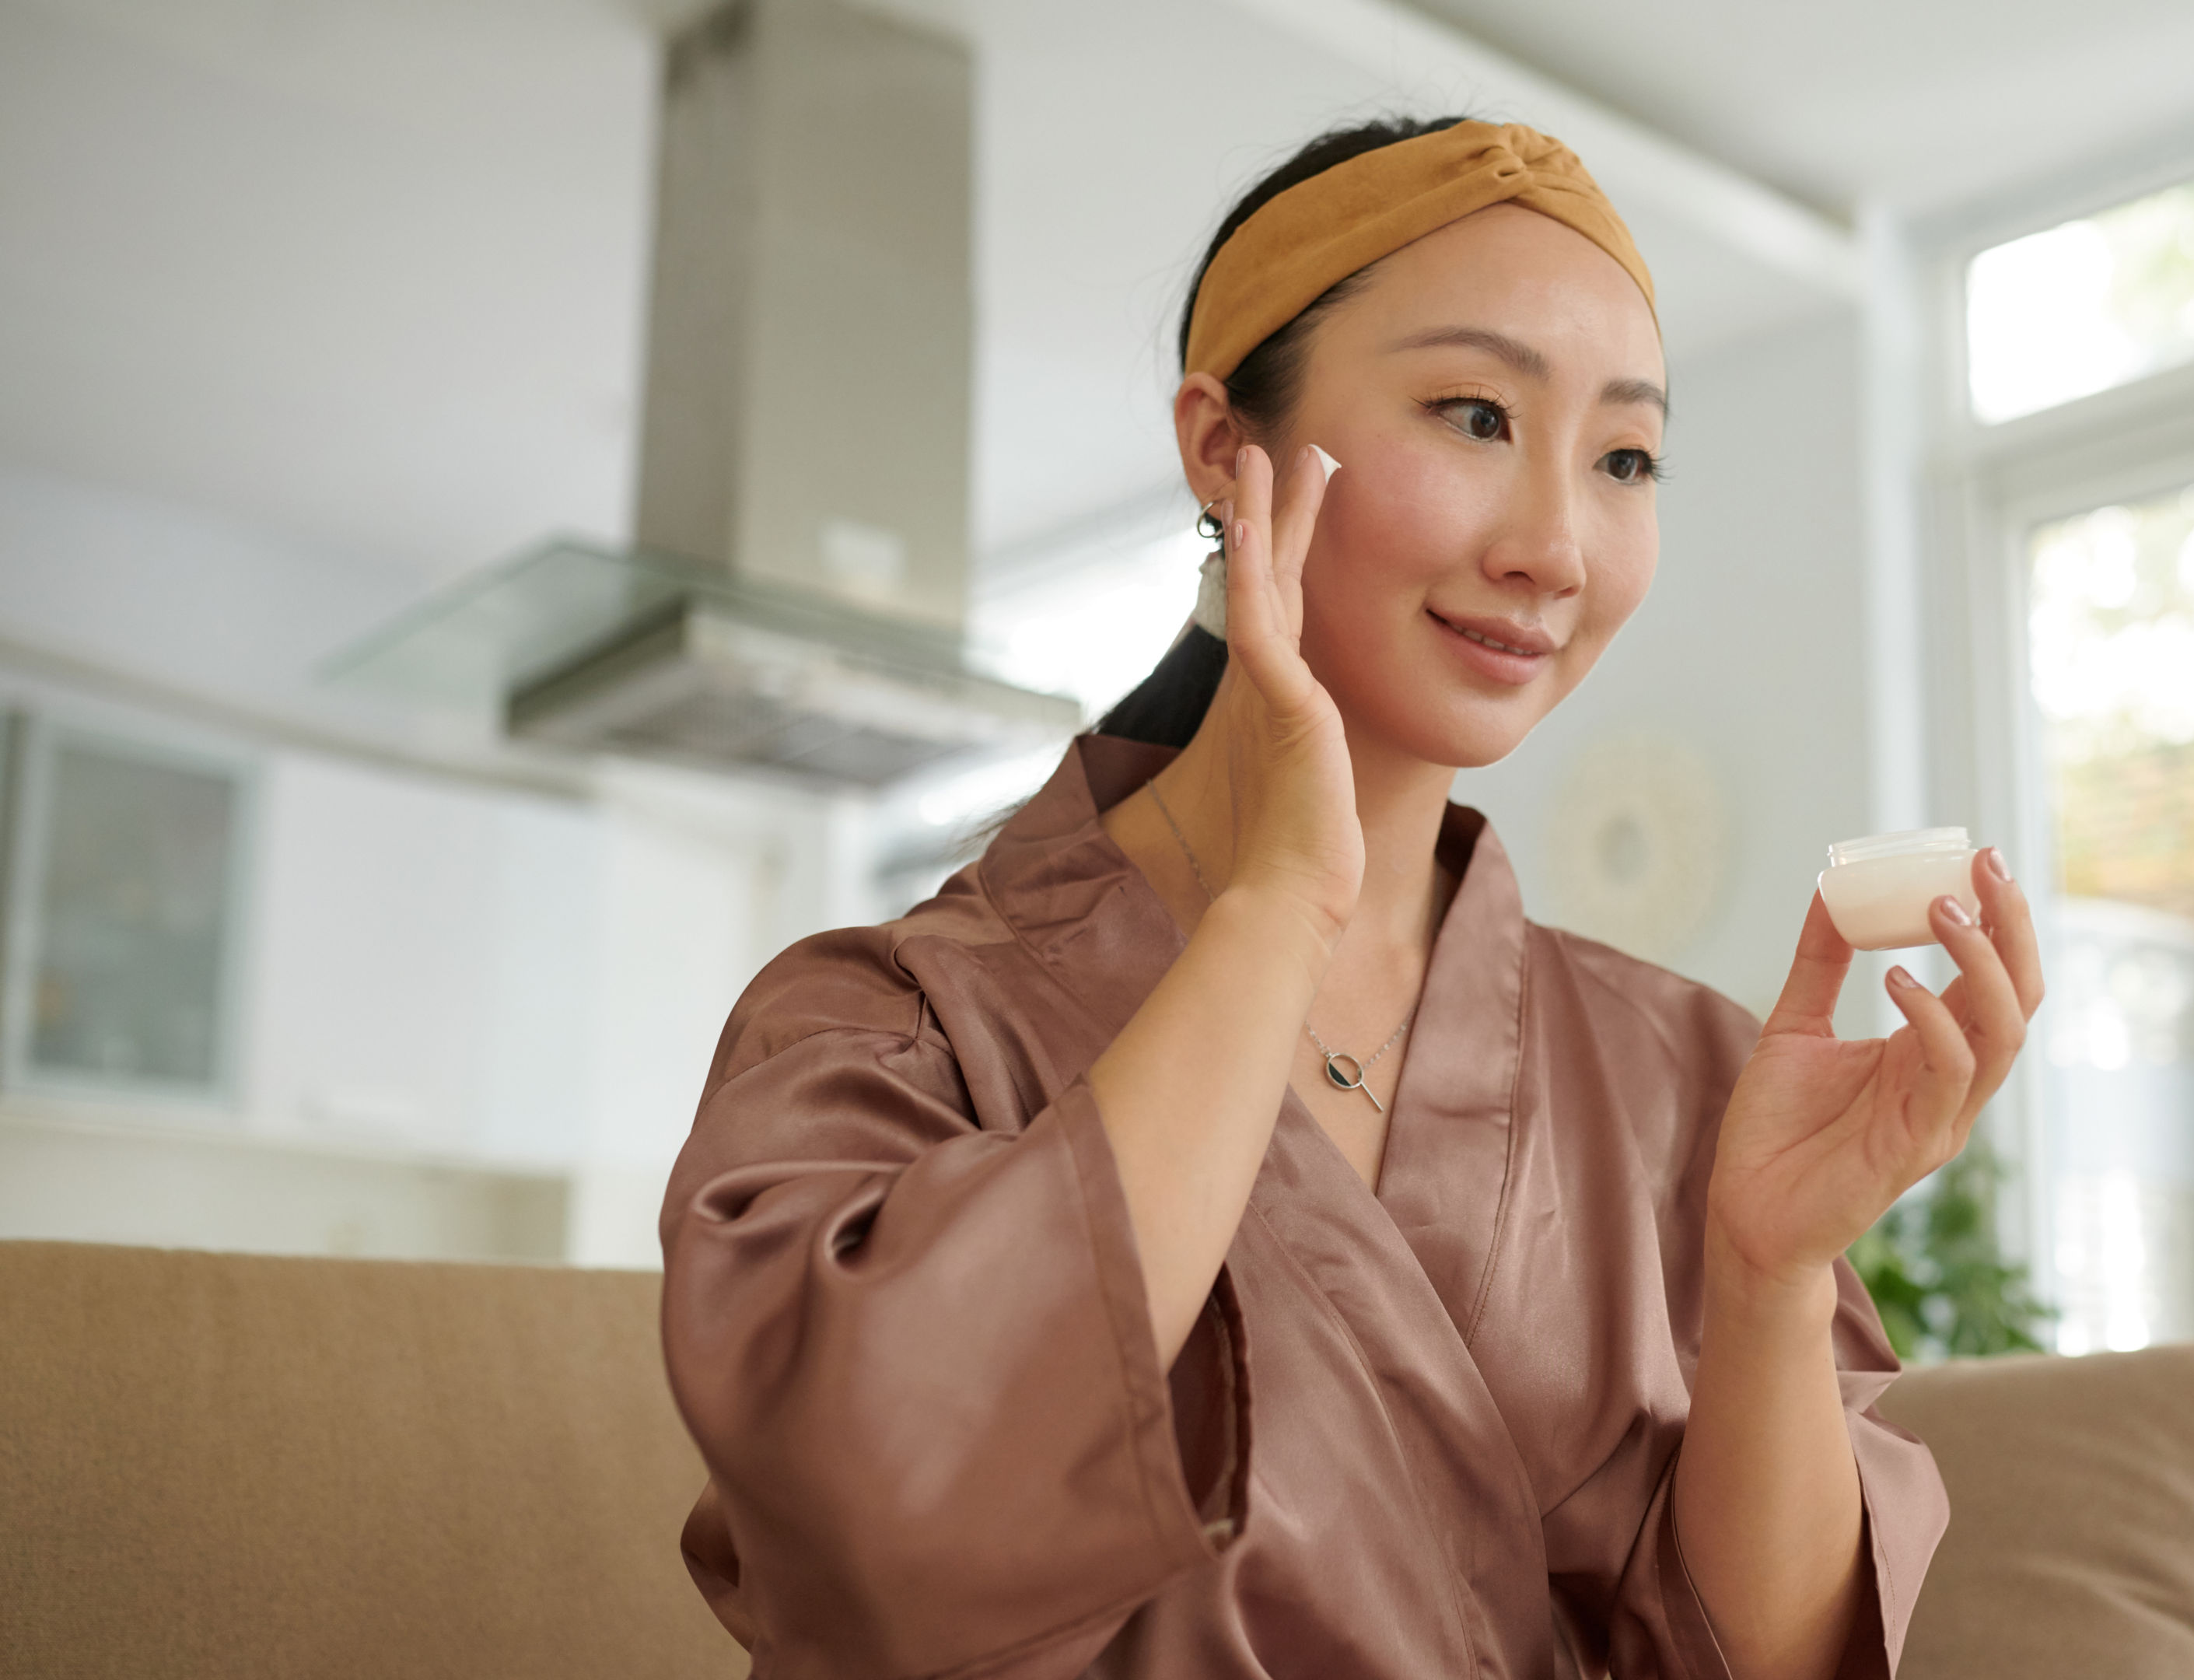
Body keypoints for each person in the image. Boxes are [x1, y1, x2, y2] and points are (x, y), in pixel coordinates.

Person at [657, 116, 2044, 1680]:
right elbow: (871, 1531)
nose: (1553, 546)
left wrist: (1773, 1280)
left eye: (1625, 458)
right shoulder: (888, 1028)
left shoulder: (1686, 1076)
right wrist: (1278, 904)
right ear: (1219, 445)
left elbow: (1779, 1667)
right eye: (1472, 415)